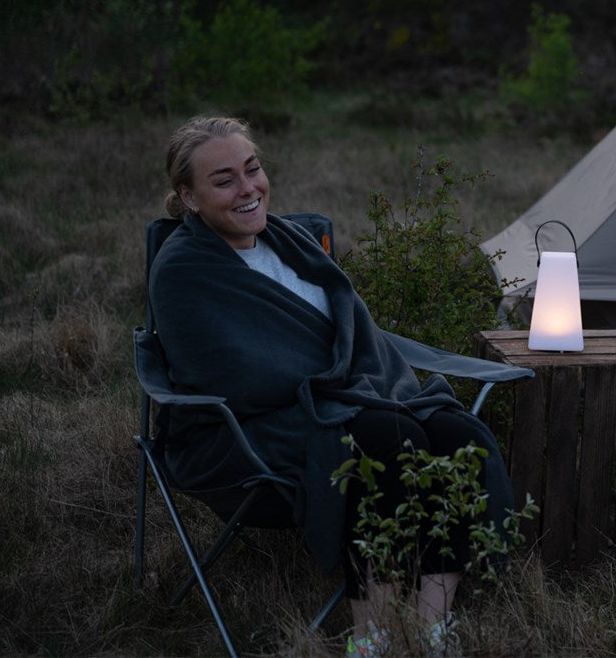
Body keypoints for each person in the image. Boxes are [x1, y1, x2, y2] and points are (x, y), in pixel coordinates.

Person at [149, 115, 514, 656]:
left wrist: (361, 379)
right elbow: (232, 373)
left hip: (349, 392)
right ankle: (374, 634)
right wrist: (347, 391)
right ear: (190, 196)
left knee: (456, 432)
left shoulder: (290, 239)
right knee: (384, 434)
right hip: (245, 430)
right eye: (224, 180)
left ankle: (429, 627)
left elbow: (349, 324)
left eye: (253, 169)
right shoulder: (183, 269)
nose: (248, 189)